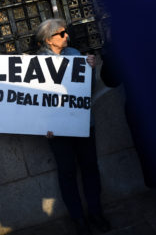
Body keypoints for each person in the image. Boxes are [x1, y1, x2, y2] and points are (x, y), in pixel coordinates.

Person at [35, 18, 111, 235]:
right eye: (61, 34)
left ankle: (96, 213)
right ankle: (78, 219)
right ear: (48, 40)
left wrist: (90, 71)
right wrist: (44, 125)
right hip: (57, 130)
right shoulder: (37, 64)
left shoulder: (75, 54)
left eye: (65, 32)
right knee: (67, 172)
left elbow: (88, 90)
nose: (66, 36)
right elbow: (34, 100)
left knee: (90, 168)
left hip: (82, 124)